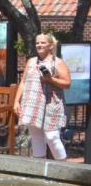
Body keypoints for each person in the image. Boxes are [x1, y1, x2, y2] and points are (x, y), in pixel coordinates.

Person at [14, 32, 71, 160]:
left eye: (43, 43)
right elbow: (23, 82)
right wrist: (16, 101)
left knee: (52, 137)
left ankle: (64, 167)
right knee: (36, 136)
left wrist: (50, 79)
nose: (39, 45)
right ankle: (40, 168)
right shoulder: (31, 61)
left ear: (50, 45)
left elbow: (67, 84)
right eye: (37, 43)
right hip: (32, 104)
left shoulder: (58, 62)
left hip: (51, 105)